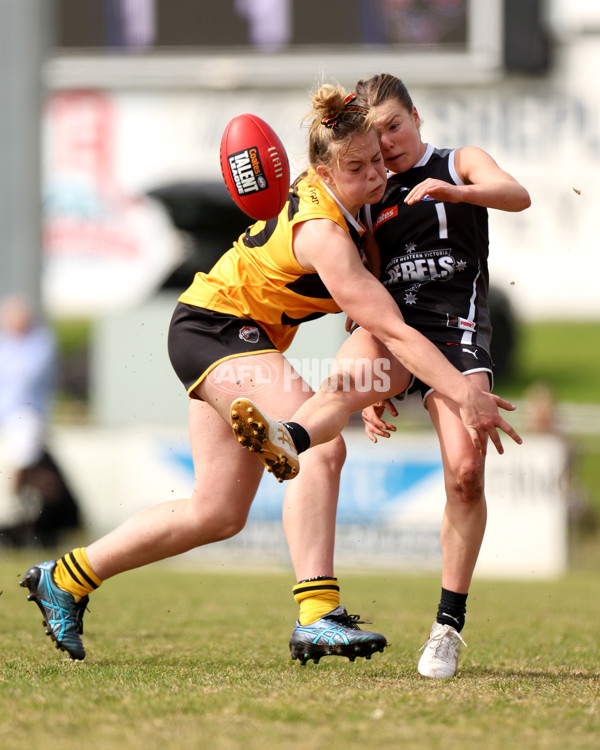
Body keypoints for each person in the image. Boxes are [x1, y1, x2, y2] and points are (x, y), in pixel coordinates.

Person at [21, 83, 519, 667]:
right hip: (215, 328)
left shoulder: (353, 207)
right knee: (319, 449)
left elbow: (383, 327)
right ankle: (317, 617)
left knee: (217, 512)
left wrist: (369, 383)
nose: (376, 175)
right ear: (321, 171)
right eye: (357, 167)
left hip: (222, 333)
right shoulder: (326, 234)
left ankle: (68, 577)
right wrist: (464, 392)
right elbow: (400, 331)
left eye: (380, 161)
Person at [231, 73, 530, 678]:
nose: (388, 142)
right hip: (395, 328)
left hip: (457, 334)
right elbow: (364, 278)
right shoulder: (372, 187)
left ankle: (447, 626)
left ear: (416, 116)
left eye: (396, 125)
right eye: (378, 132)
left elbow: (515, 194)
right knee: (341, 386)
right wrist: (368, 368)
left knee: (467, 475)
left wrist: (456, 193)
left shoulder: (457, 162)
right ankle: (288, 438)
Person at [0, 295, 80, 547]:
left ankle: (16, 503)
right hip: (6, 416)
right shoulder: (5, 344)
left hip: (27, 414)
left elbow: (25, 377)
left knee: (24, 459)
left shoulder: (40, 343)